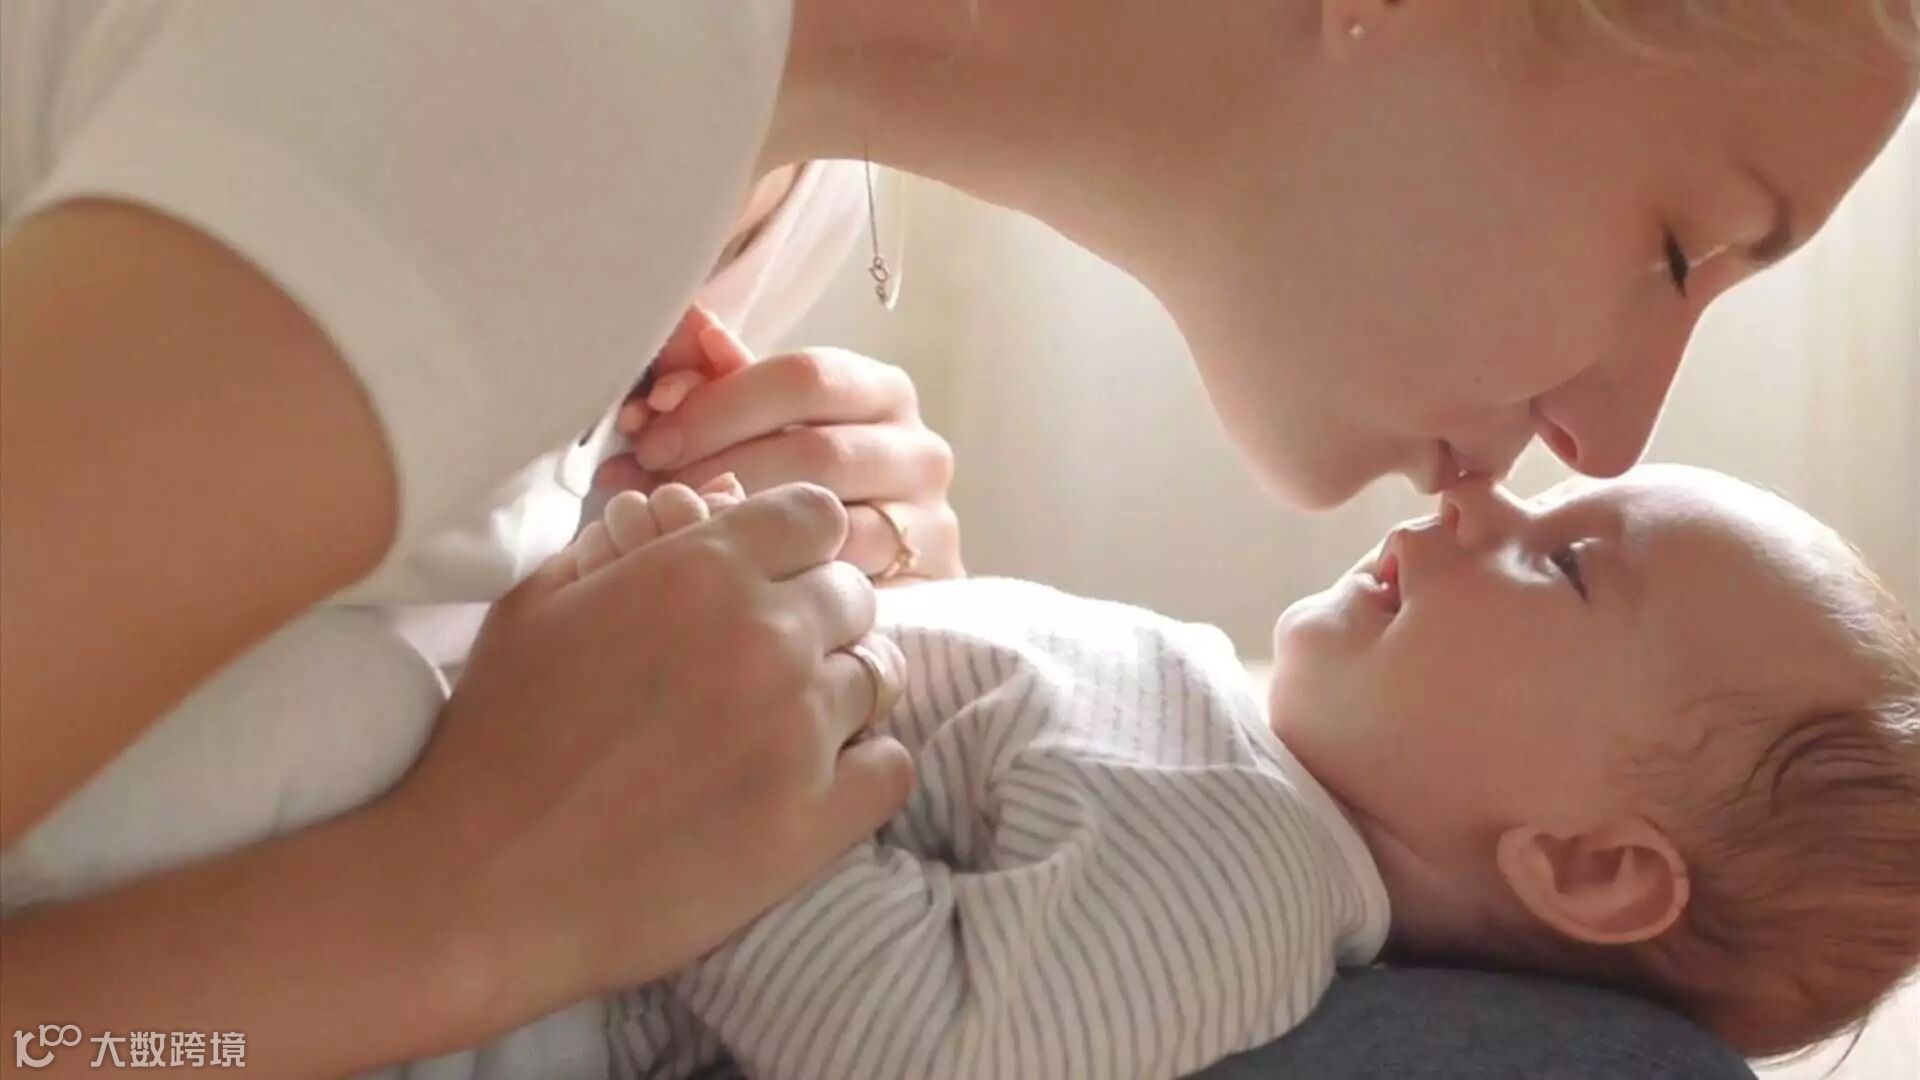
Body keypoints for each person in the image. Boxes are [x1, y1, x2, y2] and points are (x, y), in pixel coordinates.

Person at [0, 1, 1913, 1076]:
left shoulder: (770, 186)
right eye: (1684, 247)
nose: (1613, 428)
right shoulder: (567, 78)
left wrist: (796, 630)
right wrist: (475, 900)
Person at [585, 360, 1920, 1078]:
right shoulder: (1225, 746)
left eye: (1564, 564)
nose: (1478, 500)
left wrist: (718, 732)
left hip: (575, 962)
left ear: (1587, 866)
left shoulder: (1229, 902)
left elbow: (893, 1041)